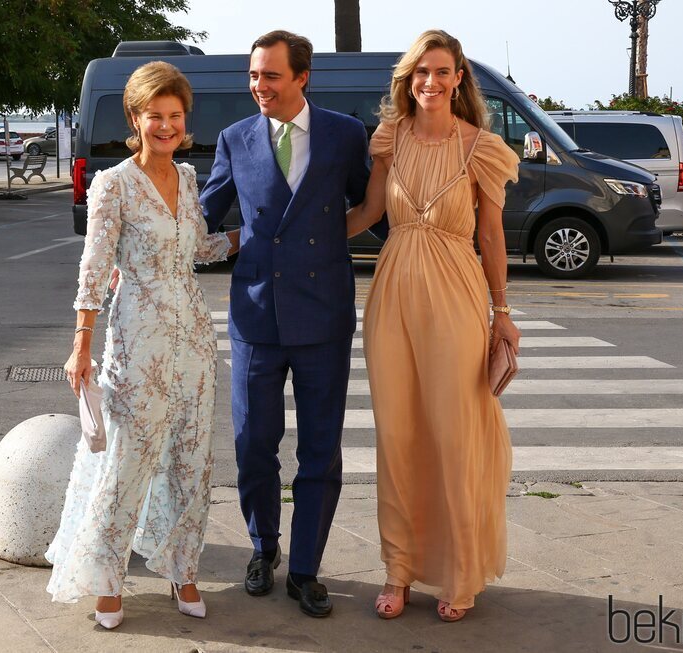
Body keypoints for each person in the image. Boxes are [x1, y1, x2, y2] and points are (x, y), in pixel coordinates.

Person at [45, 61, 239, 629]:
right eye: (155, 115)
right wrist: (82, 345)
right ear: (135, 117)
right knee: (127, 462)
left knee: (190, 459)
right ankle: (107, 580)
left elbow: (197, 249)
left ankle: (184, 569)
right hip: (138, 341)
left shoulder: (187, 179)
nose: (166, 125)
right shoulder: (113, 185)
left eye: (175, 116)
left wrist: (251, 234)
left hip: (195, 342)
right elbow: (94, 268)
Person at [346, 29, 521, 622]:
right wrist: (299, 241)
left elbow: (491, 235)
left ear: (459, 79)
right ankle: (398, 571)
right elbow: (371, 212)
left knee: (453, 435)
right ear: (408, 78)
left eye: (441, 72)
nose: (430, 82)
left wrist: (503, 314)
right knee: (396, 437)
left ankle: (459, 571)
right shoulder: (389, 137)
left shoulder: (482, 149)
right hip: (392, 290)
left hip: (456, 292)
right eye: (420, 72)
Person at [200, 30, 373, 618]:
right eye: (253, 75)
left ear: (303, 78)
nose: (258, 86)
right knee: (253, 446)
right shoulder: (234, 139)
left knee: (320, 451)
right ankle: (262, 547)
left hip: (323, 316)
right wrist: (139, 250)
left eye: (271, 76)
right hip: (254, 316)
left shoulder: (346, 136)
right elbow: (201, 213)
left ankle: (304, 570)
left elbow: (371, 208)